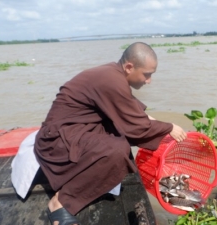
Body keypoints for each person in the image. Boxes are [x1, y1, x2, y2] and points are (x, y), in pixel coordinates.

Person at [33, 42, 187, 225]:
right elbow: (136, 127)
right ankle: (61, 203)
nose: (149, 81)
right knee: (117, 149)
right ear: (130, 67)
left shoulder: (113, 74)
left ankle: (95, 177)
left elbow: (136, 114)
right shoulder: (111, 80)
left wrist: (164, 126)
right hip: (55, 140)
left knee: (119, 133)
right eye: (147, 75)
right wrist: (168, 127)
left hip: (75, 131)